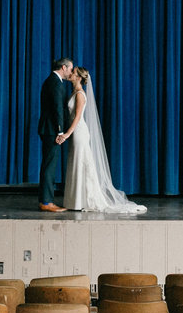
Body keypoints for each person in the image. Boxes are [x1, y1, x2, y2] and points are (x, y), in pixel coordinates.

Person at [60, 67, 146, 213]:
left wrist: (67, 133)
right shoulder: (74, 92)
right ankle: (75, 200)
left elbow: (78, 116)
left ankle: (82, 200)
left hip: (79, 131)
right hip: (76, 132)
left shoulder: (80, 94)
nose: (70, 74)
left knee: (80, 162)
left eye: (73, 73)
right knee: (76, 162)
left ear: (79, 77)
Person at [36, 57, 74, 212]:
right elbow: (57, 108)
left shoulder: (52, 81)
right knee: (49, 167)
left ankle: (45, 200)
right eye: (71, 69)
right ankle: (46, 202)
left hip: (49, 129)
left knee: (48, 165)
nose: (71, 72)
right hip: (52, 130)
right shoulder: (55, 83)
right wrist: (60, 131)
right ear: (63, 67)